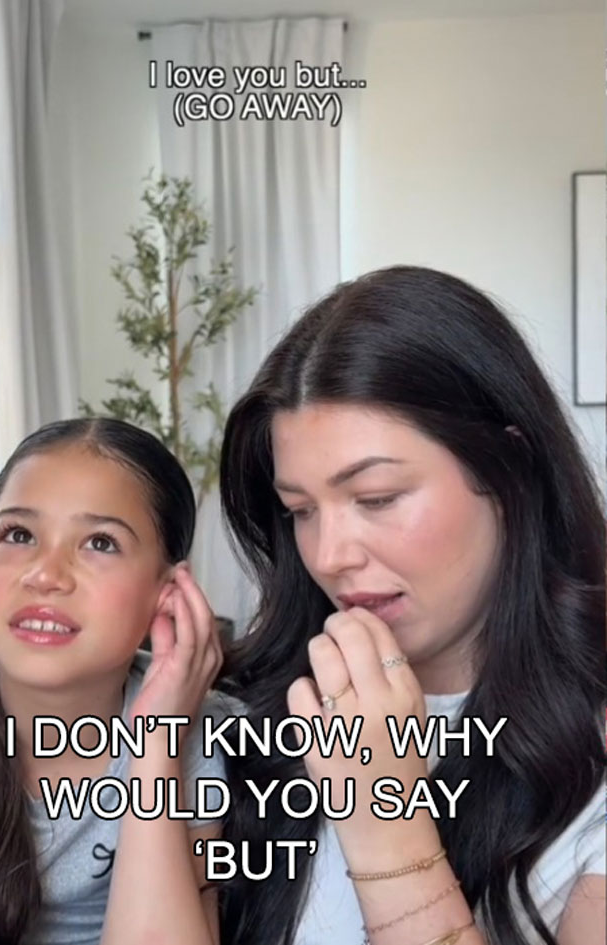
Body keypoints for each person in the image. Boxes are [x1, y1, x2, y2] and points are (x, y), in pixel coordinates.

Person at [217, 266, 605, 945]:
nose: (330, 554)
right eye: (300, 510)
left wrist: (385, 819)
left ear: (505, 471)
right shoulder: (259, 711)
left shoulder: (591, 752)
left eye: (377, 498)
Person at [0, 417, 226, 945]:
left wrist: (156, 742)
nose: (45, 574)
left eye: (100, 542)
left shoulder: (194, 725)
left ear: (168, 595)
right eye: (18, 534)